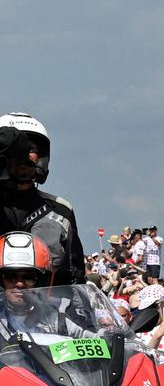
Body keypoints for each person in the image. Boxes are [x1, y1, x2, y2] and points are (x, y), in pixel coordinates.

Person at [0, 113, 85, 284]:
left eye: (31, 149)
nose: (25, 156)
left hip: (45, 309)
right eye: (17, 150)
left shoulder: (60, 212)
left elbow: (74, 279)